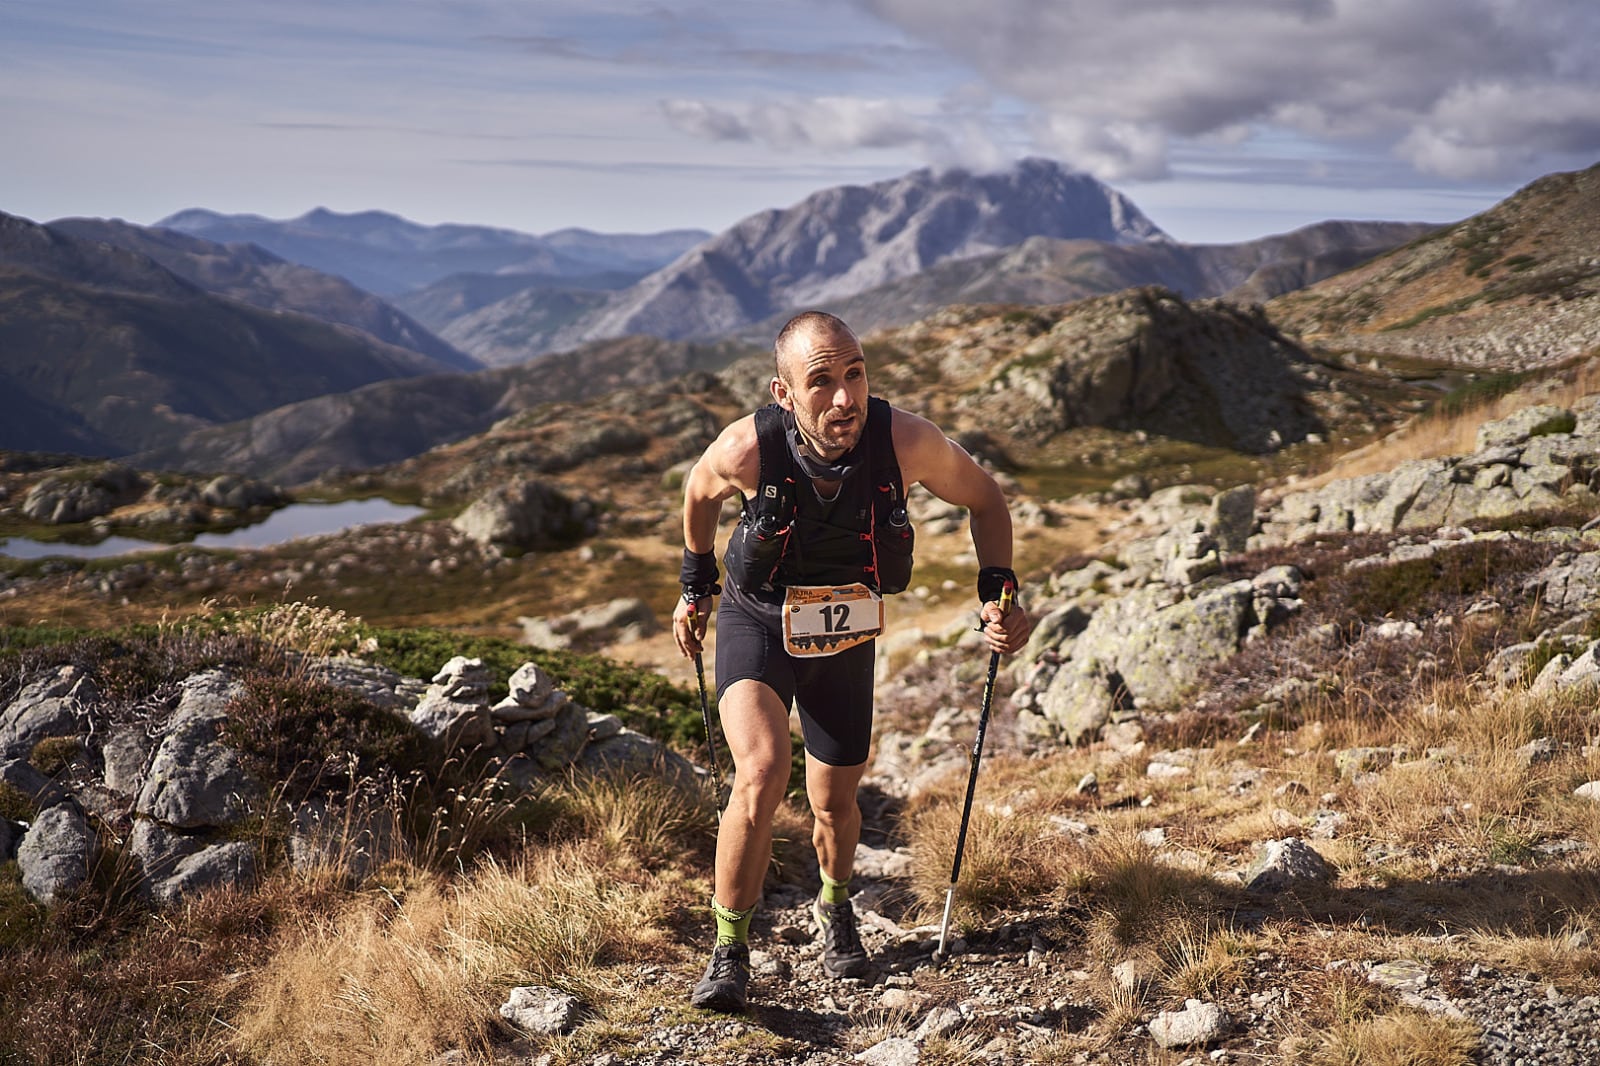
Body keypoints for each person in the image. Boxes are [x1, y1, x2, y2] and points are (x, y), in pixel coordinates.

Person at [672, 310, 1033, 1012]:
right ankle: (729, 950)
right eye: (822, 382)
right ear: (784, 394)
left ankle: (835, 907)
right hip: (758, 621)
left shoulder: (906, 442)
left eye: (855, 374)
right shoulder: (748, 448)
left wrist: (1000, 592)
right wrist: (695, 589)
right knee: (763, 770)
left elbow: (985, 498)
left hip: (845, 634)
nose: (845, 398)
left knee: (835, 801)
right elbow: (697, 494)